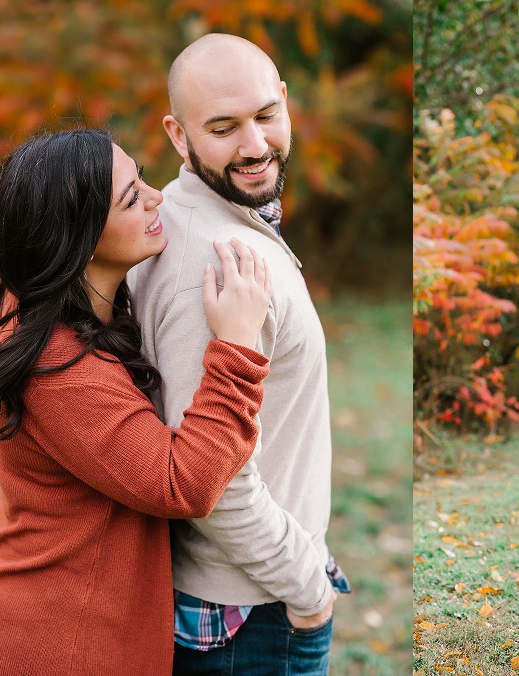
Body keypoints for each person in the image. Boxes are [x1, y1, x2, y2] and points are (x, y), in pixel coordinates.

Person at [0, 128, 274, 675]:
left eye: (141, 180)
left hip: (64, 606)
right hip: (64, 639)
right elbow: (183, 483)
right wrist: (237, 347)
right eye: (132, 198)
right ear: (78, 237)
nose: (156, 197)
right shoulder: (57, 368)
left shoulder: (39, 295)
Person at [127, 34, 346, 675]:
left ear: (284, 100)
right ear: (177, 134)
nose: (253, 146)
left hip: (254, 591)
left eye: (265, 116)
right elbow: (210, 478)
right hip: (251, 615)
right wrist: (308, 588)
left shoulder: (207, 218)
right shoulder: (211, 260)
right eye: (222, 128)